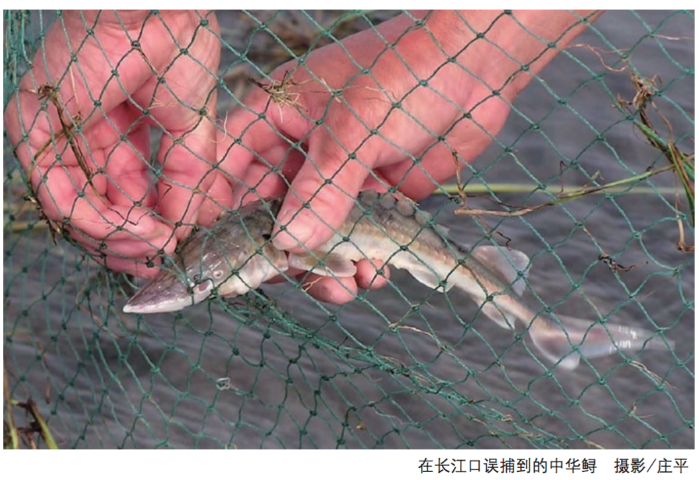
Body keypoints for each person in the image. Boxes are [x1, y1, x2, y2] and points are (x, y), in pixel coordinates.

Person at [4, 10, 598, 304]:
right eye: (204, 282)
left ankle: (515, 298)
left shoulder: (287, 236)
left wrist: (464, 49)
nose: (205, 286)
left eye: (208, 281)